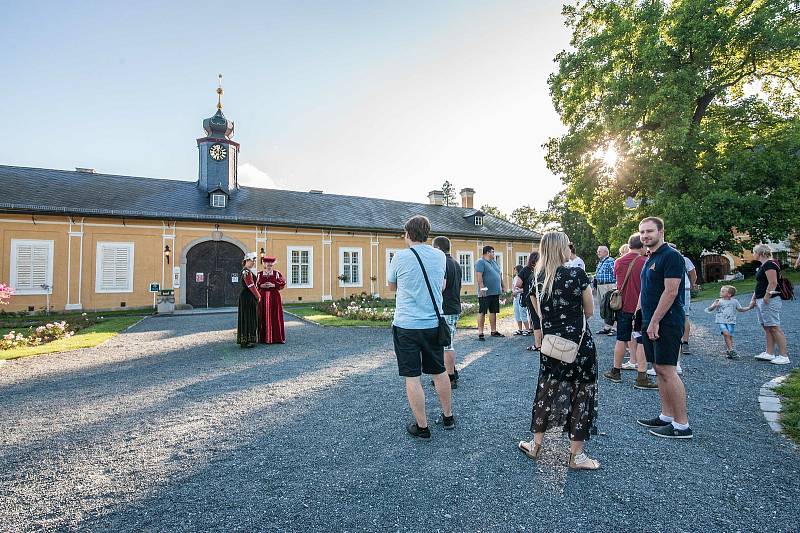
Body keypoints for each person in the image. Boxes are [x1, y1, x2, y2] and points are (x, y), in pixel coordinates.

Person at [517, 231, 600, 470]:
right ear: (563, 248)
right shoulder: (577, 274)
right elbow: (590, 311)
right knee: (581, 394)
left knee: (546, 392)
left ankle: (535, 445)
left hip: (551, 346)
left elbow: (540, 315)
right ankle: (577, 456)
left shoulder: (537, 278)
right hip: (579, 346)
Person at [388, 215, 454, 438]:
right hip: (433, 323)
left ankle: (422, 426)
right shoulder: (439, 256)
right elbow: (441, 283)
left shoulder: (400, 257)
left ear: (408, 234)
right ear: (427, 234)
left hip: (406, 324)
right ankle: (448, 417)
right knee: (439, 371)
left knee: (412, 377)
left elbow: (391, 286)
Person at [636, 217, 692, 439]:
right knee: (658, 369)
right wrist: (641, 316)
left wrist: (655, 321)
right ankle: (667, 416)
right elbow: (647, 289)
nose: (645, 235)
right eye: (642, 232)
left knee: (668, 370)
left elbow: (671, 292)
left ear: (661, 232)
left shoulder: (671, 256)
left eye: (649, 231)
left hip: (666, 323)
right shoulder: (650, 257)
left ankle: (682, 425)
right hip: (650, 321)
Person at [602, 234, 657, 390]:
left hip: (623, 306)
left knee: (621, 338)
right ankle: (641, 377)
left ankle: (615, 372)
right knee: (640, 341)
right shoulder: (646, 262)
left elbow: (618, 280)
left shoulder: (618, 262)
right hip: (641, 307)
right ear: (642, 247)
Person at [751, 244, 791, 365]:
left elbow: (772, 282)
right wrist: (754, 298)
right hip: (761, 299)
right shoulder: (763, 265)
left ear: (761, 253)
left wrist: (766, 298)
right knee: (767, 327)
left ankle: (784, 356)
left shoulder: (769, 264)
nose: (753, 254)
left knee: (774, 327)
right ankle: (769, 353)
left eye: (754, 252)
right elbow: (760, 284)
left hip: (769, 300)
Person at [432, 236, 462, 389]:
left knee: (446, 345)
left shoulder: (442, 263)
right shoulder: (455, 262)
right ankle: (451, 371)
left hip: (446, 308)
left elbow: (441, 287)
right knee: (447, 341)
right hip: (454, 305)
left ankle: (450, 377)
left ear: (437, 249)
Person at [704, 285, 750, 359]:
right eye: (721, 291)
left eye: (723, 291)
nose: (720, 292)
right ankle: (732, 350)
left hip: (731, 322)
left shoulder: (735, 301)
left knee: (730, 336)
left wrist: (749, 308)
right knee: (726, 334)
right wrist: (714, 305)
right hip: (721, 321)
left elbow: (740, 309)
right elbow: (708, 310)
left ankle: (729, 351)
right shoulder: (718, 301)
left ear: (729, 294)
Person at [475, 245, 506, 340]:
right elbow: (479, 276)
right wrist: (482, 288)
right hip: (485, 292)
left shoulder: (494, 262)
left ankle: (493, 331)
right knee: (482, 311)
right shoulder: (480, 262)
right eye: (493, 252)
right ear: (487, 252)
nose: (494, 253)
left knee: (493, 311)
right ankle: (480, 332)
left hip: (495, 291)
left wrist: (503, 285)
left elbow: (499, 274)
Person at [515, 252, 542, 352]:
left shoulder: (526, 270)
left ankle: (538, 344)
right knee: (543, 317)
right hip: (543, 296)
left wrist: (524, 286)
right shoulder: (542, 269)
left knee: (535, 319)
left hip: (531, 297)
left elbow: (518, 283)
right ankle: (545, 341)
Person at [256, 256, 286, 344]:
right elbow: (256, 285)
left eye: (270, 263)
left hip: (274, 297)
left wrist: (273, 285)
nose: (268, 265)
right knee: (262, 315)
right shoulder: (259, 274)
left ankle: (277, 338)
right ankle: (263, 338)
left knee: (275, 315)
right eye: (267, 263)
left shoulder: (277, 273)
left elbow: (283, 282)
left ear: (272, 264)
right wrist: (261, 286)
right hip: (263, 297)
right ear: (264, 264)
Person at [237, 253, 260, 348]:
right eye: (252, 261)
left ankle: (247, 339)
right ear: (246, 261)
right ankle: (248, 340)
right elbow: (250, 285)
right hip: (248, 297)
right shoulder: (246, 271)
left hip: (247, 296)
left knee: (248, 317)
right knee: (249, 317)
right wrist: (258, 295)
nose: (253, 262)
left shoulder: (246, 271)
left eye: (254, 261)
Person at [594, 245, 617, 335]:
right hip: (601, 285)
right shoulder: (601, 262)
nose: (598, 253)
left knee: (611, 307)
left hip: (608, 286)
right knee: (603, 307)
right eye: (598, 251)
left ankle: (614, 328)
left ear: (606, 252)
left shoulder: (610, 261)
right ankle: (607, 327)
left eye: (600, 251)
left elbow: (615, 273)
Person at [511, 264, 531, 336]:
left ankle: (528, 329)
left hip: (522, 297)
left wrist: (518, 291)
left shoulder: (523, 277)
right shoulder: (515, 278)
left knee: (522, 312)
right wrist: (513, 292)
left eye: (515, 270)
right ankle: (520, 329)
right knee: (517, 313)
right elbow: (513, 286)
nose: (515, 271)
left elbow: (526, 288)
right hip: (515, 297)